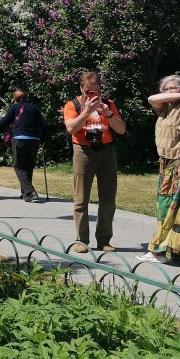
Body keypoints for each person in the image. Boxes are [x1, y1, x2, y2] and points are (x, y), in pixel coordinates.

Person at [139, 74, 180, 263]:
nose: (169, 92)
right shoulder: (167, 107)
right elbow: (151, 99)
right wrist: (179, 96)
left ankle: (159, 251)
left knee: (170, 206)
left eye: (174, 88)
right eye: (166, 89)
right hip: (167, 162)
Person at [63, 70, 126, 253]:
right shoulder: (72, 105)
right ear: (81, 88)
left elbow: (121, 130)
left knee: (108, 199)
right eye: (89, 92)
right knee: (81, 199)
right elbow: (71, 128)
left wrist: (110, 115)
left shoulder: (108, 104)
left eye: (96, 92)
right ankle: (81, 240)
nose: (93, 96)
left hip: (107, 151)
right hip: (83, 151)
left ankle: (104, 240)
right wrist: (87, 112)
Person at [0, 88, 49, 202]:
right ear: (26, 97)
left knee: (18, 166)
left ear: (15, 98)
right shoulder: (34, 108)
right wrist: (43, 138)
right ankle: (25, 193)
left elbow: (5, 121)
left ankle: (30, 191)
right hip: (34, 140)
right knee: (28, 166)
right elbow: (44, 124)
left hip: (20, 139)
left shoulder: (15, 107)